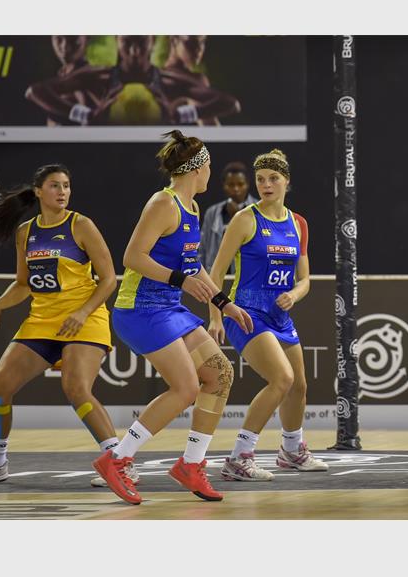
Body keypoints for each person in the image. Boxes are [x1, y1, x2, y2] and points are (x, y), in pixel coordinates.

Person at [92, 130, 254, 505]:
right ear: (198, 169)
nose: (211, 172)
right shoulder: (163, 204)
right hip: (140, 308)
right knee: (185, 388)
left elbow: (193, 266)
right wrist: (180, 281)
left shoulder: (192, 207)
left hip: (168, 308)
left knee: (220, 374)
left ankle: (191, 465)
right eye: (209, 166)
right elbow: (132, 257)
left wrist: (225, 303)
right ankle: (117, 460)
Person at [0, 164, 123, 485]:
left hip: (84, 319)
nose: (62, 191)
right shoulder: (26, 232)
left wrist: (83, 312)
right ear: (38, 191)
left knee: (76, 388)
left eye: (66, 185)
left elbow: (109, 279)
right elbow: (23, 283)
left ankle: (119, 462)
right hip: (42, 321)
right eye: (55, 185)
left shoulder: (81, 225)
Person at [208, 148, 328, 482]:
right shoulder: (245, 219)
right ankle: (239, 457)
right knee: (281, 379)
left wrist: (294, 294)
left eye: (273, 178)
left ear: (287, 181)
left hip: (279, 316)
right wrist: (216, 316)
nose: (266, 185)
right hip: (245, 313)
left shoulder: (298, 223)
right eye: (260, 179)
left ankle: (291, 451)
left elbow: (305, 279)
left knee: (299, 385)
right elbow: (215, 273)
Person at [26, 35, 240, 126]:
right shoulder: (98, 77)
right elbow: (35, 92)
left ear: (152, 42)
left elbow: (230, 103)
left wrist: (181, 115)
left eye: (141, 42)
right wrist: (85, 115)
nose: (135, 51)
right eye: (128, 42)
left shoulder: (169, 81)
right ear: (118, 41)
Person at [162, 35, 241, 126]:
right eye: (192, 42)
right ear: (174, 41)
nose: (199, 48)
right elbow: (231, 103)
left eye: (202, 42)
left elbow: (230, 105)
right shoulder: (171, 78)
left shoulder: (197, 78)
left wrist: (185, 114)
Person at [199, 161, 258, 272]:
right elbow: (202, 249)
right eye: (231, 185)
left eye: (240, 184)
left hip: (247, 276)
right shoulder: (212, 213)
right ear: (224, 186)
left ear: (247, 184)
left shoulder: (258, 211)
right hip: (214, 276)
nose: (236, 189)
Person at [24, 36, 90, 126]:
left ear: (88, 38)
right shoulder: (64, 72)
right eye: (59, 39)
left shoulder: (89, 72)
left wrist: (87, 116)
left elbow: (33, 92)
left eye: (74, 39)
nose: (65, 47)